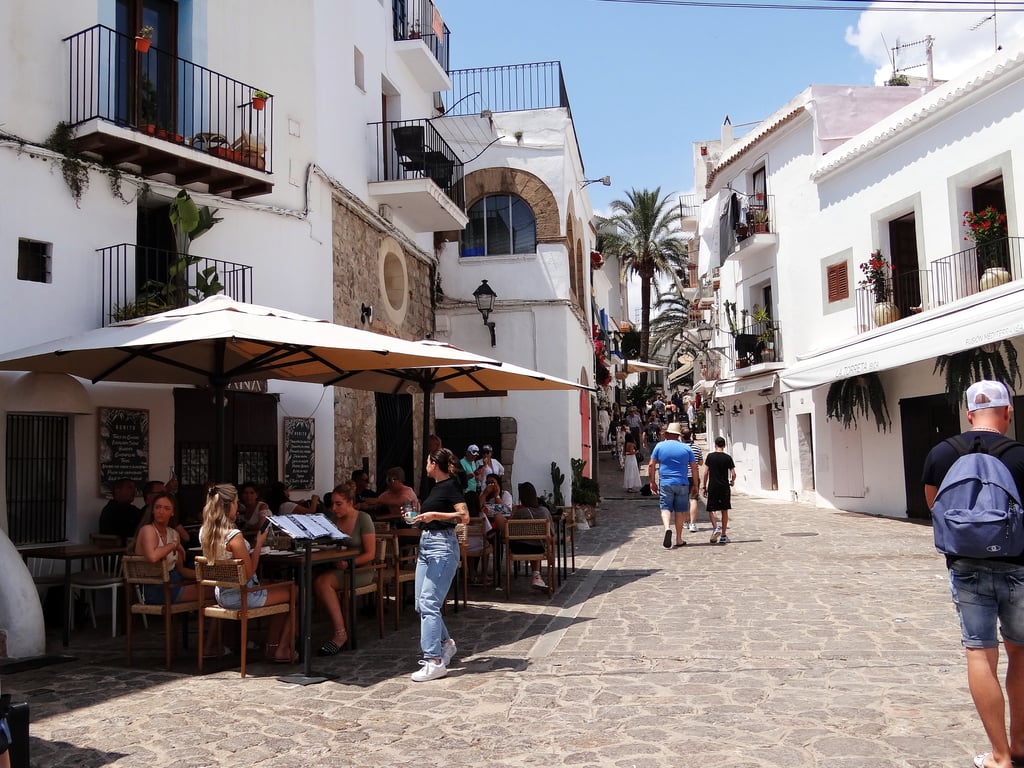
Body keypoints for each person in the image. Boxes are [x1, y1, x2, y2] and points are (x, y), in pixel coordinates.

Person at [922, 380, 1024, 768]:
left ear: (968, 415)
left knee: (981, 653)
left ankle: (999, 756)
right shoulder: (1019, 456)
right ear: (1008, 411)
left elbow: (935, 506)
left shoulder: (941, 453)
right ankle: (1020, 746)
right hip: (1019, 566)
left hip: (965, 568)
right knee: (1021, 653)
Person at [199, 483, 296, 663]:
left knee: (278, 590)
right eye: (236, 503)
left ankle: (273, 646)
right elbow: (249, 572)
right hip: (242, 595)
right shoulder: (233, 535)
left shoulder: (205, 532)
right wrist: (259, 543)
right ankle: (278, 648)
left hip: (221, 593)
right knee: (294, 592)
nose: (239, 506)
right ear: (229, 506)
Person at [410, 447, 469, 681]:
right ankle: (446, 643)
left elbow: (464, 516)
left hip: (442, 548)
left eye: (427, 461)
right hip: (427, 545)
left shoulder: (451, 486)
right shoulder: (435, 488)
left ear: (434, 464)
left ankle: (434, 660)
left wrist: (434, 515)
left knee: (429, 603)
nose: (425, 465)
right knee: (420, 604)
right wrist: (421, 517)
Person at [313, 481, 377, 656]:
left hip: (360, 570)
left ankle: (340, 634)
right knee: (308, 580)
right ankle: (298, 634)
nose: (334, 508)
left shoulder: (363, 519)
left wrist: (350, 563)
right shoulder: (333, 520)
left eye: (338, 504)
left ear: (350, 503)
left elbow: (370, 554)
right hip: (337, 567)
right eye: (332, 504)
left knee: (323, 582)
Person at [648, 422, 698, 549]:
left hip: (665, 482)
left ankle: (666, 528)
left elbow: (651, 465)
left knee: (665, 508)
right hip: (682, 482)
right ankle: (679, 538)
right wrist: (696, 484)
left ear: (667, 434)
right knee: (681, 512)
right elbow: (694, 467)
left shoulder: (659, 446)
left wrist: (652, 482)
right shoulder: (687, 448)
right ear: (678, 435)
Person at [510, 482, 553, 590]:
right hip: (538, 548)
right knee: (535, 540)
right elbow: (552, 533)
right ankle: (536, 576)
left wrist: (512, 514)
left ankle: (537, 576)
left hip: (519, 548)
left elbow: (510, 531)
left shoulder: (520, 513)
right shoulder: (545, 511)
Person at [703, 436, 737, 544]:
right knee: (724, 510)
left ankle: (715, 527)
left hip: (713, 485)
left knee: (712, 509)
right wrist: (732, 481)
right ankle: (723, 534)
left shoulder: (710, 456)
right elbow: (734, 473)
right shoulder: (728, 458)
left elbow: (705, 472)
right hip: (724, 486)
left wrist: (704, 486)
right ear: (724, 445)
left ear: (715, 445)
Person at [98, 478, 143, 543]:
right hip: (122, 549)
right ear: (117, 490)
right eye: (130, 488)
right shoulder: (117, 509)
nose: (134, 491)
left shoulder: (109, 507)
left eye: (134, 488)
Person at [683, 428, 704, 533]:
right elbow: (700, 462)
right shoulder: (697, 447)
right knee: (693, 499)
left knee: (683, 499)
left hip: (682, 476)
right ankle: (692, 524)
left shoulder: (680, 448)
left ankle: (685, 522)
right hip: (694, 476)